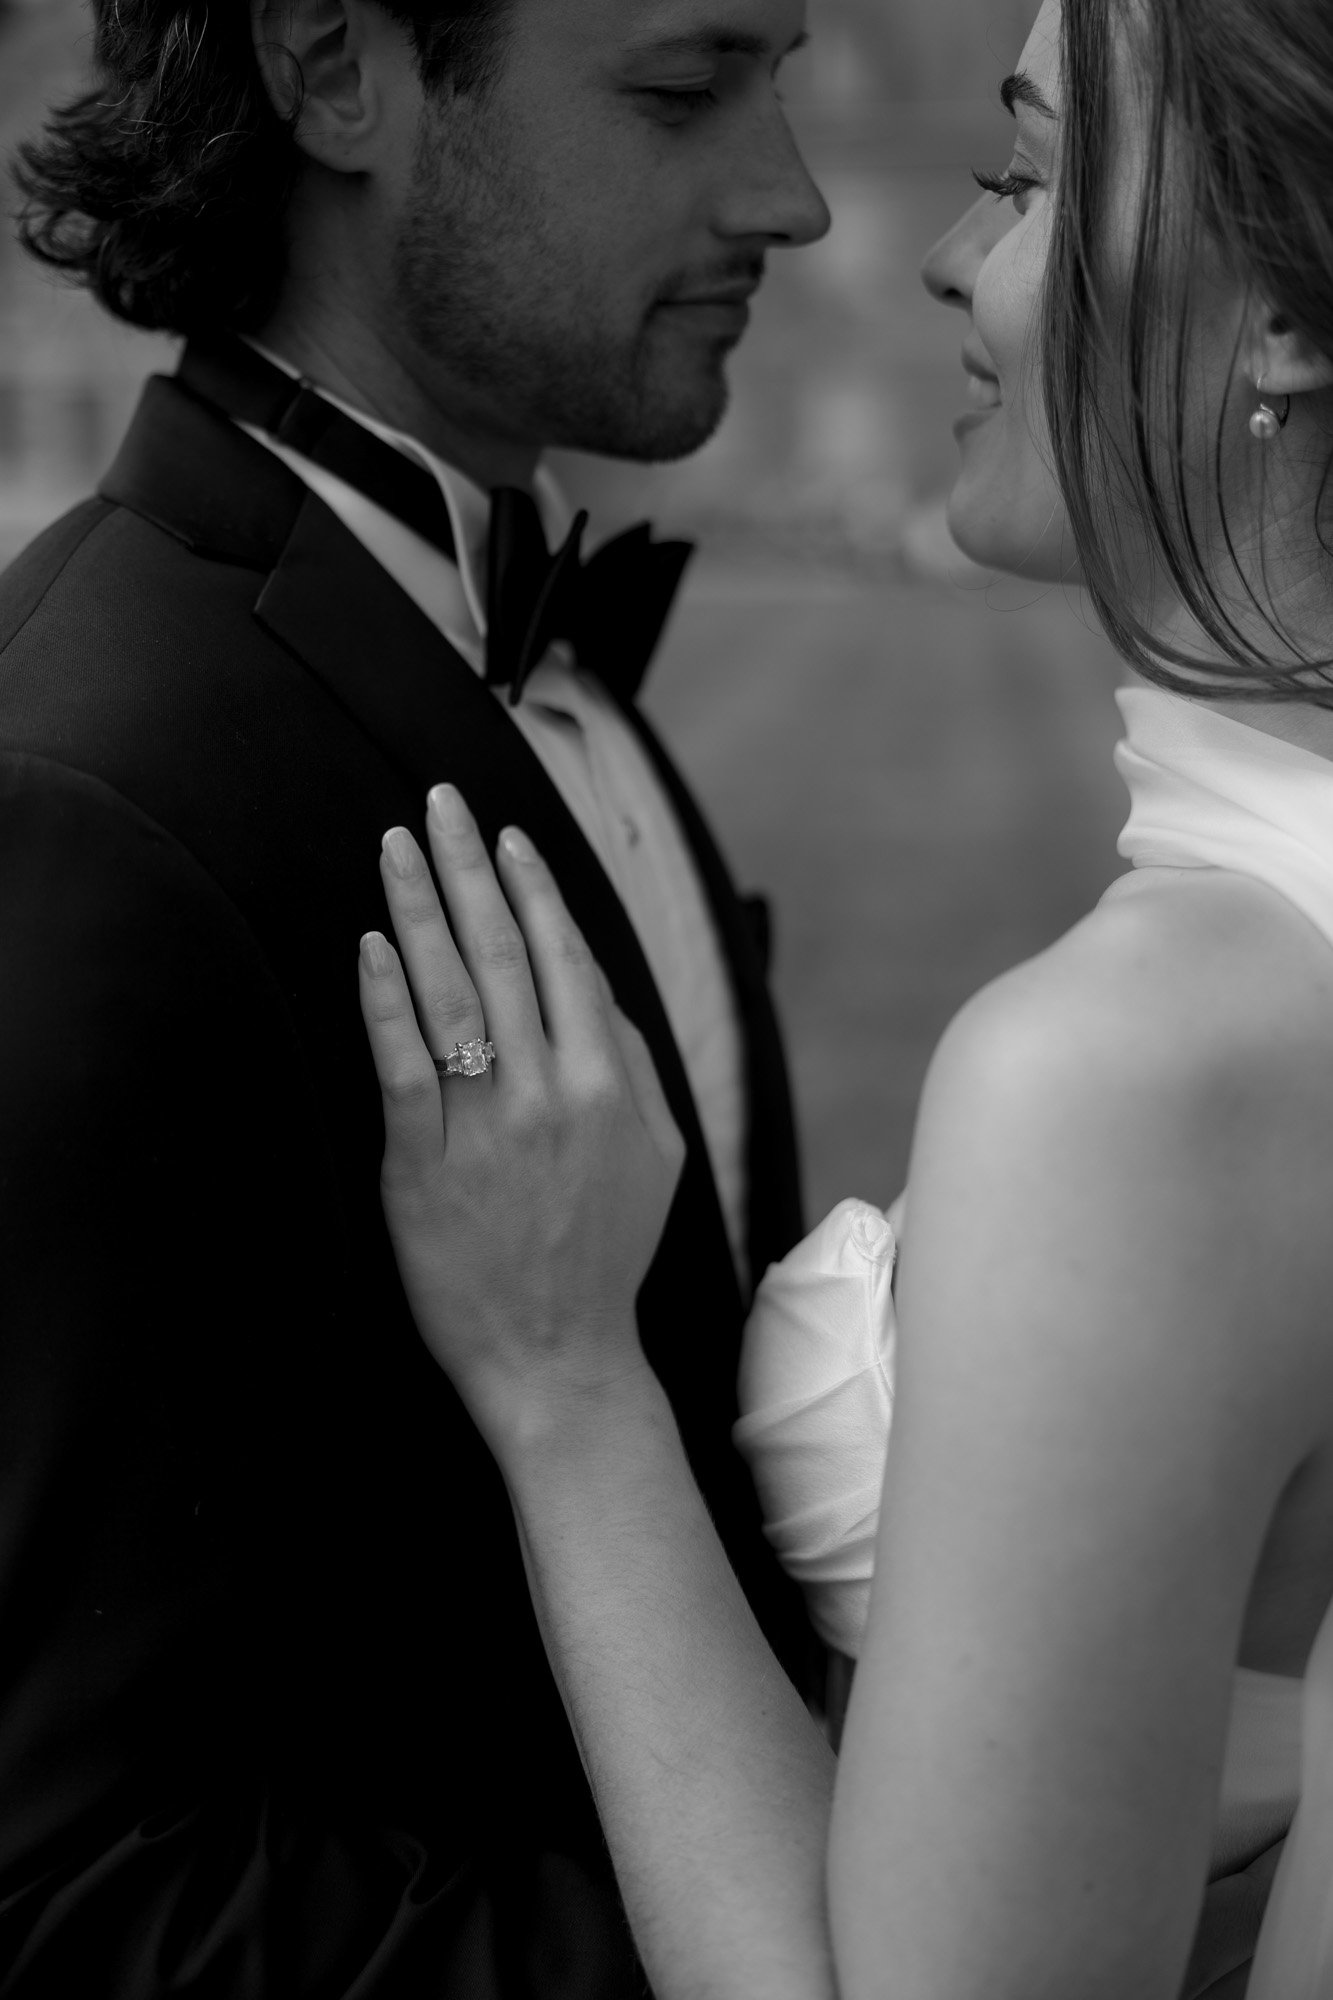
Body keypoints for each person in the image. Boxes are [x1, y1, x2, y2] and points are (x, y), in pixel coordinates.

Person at [356, 0, 1333, 1994]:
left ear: (1289, 315)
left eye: (1029, 174)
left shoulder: (1133, 1076)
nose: (940, 255)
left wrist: (566, 1387)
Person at [0, 0, 830, 1990]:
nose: (787, 193)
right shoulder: (79, 800)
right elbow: (66, 1890)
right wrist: (855, 1945)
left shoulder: (536, 672)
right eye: (681, 86)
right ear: (336, 73)